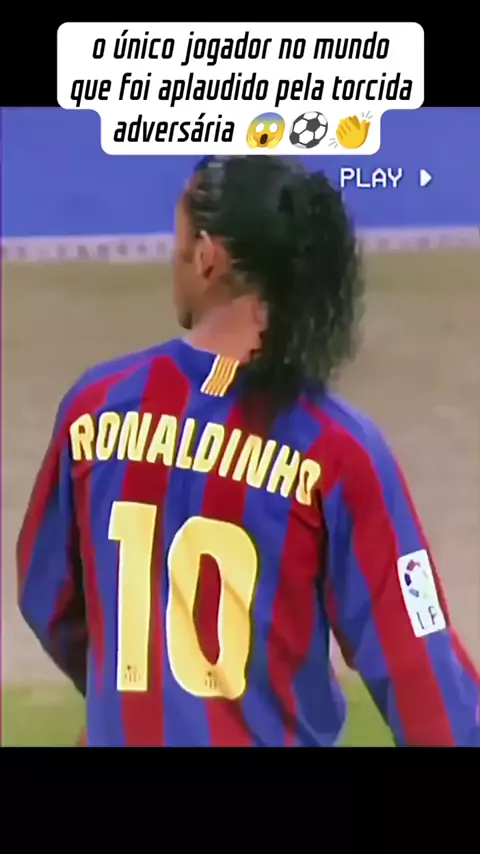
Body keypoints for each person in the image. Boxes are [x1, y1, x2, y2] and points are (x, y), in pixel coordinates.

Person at [17, 155, 479, 747]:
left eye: (180, 239)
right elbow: (424, 681)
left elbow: (48, 594)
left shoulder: (97, 406)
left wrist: (134, 698)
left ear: (208, 257)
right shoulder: (337, 449)